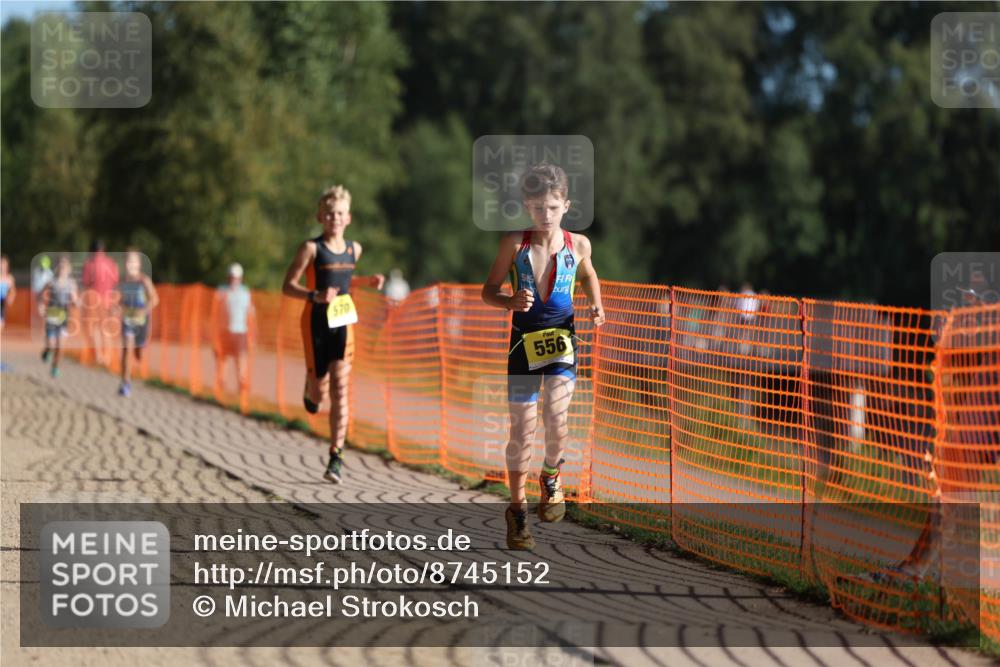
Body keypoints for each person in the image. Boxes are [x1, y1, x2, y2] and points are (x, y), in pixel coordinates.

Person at [481, 163, 605, 550]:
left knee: (557, 415)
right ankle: (517, 512)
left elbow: (587, 275)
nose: (545, 215)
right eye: (537, 207)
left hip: (562, 343)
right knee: (521, 431)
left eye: (552, 207)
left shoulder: (578, 244)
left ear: (566, 205)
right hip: (523, 345)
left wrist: (597, 305)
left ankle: (551, 475)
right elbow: (488, 290)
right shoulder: (514, 244)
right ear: (526, 206)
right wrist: (509, 301)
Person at [282, 185, 385, 484]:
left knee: (341, 387)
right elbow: (287, 285)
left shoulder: (355, 249)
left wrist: (369, 281)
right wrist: (314, 295)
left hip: (342, 322)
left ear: (348, 217)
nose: (334, 218)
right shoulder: (311, 249)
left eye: (339, 213)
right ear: (320, 216)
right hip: (314, 323)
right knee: (318, 397)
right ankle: (311, 385)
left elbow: (346, 281)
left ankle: (336, 456)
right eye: (329, 213)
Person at [116, 249, 158, 397]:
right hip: (128, 319)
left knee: (138, 353)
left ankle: (139, 348)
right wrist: (117, 307)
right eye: (127, 261)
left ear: (138, 264)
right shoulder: (123, 282)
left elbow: (154, 299)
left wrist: (144, 310)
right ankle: (125, 383)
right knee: (126, 349)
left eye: (132, 261)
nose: (129, 264)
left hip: (142, 321)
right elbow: (121, 300)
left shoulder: (143, 280)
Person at [214, 262, 255, 407]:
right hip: (224, 333)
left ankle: (242, 400)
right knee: (221, 365)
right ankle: (219, 396)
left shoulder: (246, 294)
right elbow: (215, 314)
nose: (234, 280)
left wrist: (252, 335)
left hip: (241, 333)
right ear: (228, 277)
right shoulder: (221, 293)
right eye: (231, 277)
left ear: (240, 278)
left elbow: (251, 315)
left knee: (241, 366)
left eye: (236, 278)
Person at [38, 255, 78, 378]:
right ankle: (47, 351)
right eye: (61, 267)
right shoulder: (51, 282)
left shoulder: (71, 284)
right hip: (52, 314)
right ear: (57, 268)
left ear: (69, 269)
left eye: (65, 267)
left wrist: (75, 301)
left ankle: (55, 367)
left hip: (63, 316)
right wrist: (41, 306)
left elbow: (75, 300)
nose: (63, 269)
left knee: (60, 346)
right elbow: (40, 295)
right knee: (51, 343)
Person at [81, 240, 119, 366]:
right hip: (108, 299)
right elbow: (115, 280)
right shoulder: (111, 263)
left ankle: (99, 356)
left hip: (93, 301)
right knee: (106, 329)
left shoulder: (89, 264)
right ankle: (107, 358)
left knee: (96, 329)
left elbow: (85, 282)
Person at [0, 255, 16, 333]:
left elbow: (13, 291)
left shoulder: (9, 278)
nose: (2, 266)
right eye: (1, 264)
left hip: (2, 304)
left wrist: (10, 298)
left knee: (1, 325)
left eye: (4, 264)